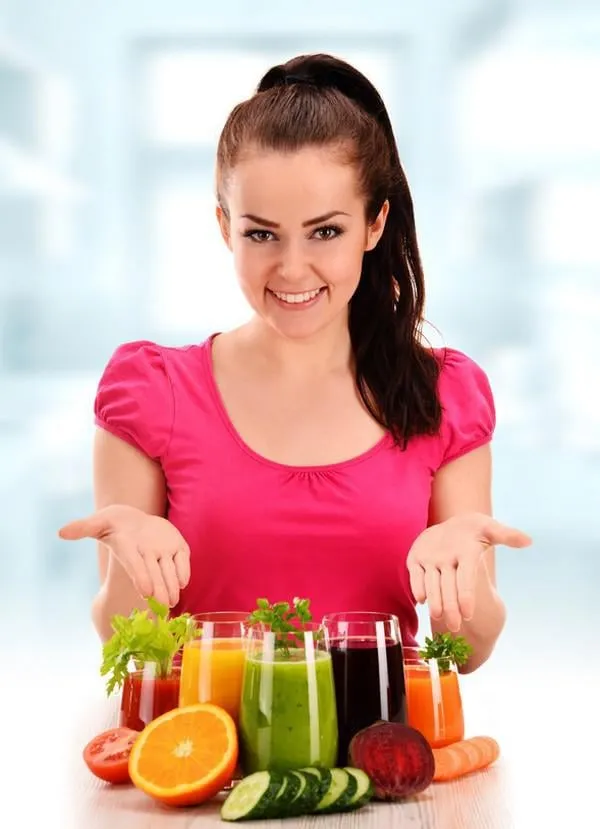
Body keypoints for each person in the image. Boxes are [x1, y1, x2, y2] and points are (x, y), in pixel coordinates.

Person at [59, 53, 531, 672]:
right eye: (261, 234)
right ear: (225, 227)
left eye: (326, 232)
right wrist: (130, 565)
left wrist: (460, 583)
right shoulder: (152, 391)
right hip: (207, 755)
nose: (291, 268)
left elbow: (466, 655)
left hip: (373, 755)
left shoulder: (441, 394)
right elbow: (128, 649)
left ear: (374, 223)